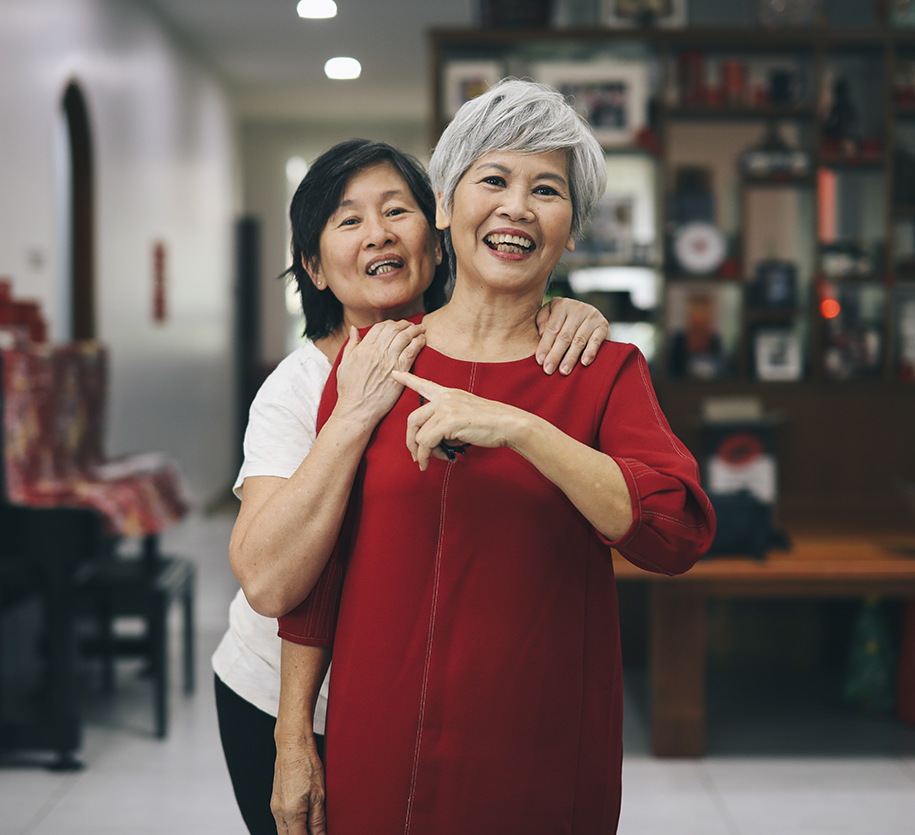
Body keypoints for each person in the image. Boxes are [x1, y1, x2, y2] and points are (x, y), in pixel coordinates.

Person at [276, 80, 716, 834]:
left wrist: (519, 427)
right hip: (377, 744)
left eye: (546, 190)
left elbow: (673, 532)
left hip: (541, 751)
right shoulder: (377, 358)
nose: (517, 206)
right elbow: (320, 575)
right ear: (445, 206)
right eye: (494, 179)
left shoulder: (604, 372)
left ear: (570, 229)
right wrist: (292, 742)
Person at [211, 138, 614, 835]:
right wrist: (292, 738)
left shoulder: (499, 353)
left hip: (421, 705)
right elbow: (272, 584)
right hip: (285, 701)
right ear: (314, 265)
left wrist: (571, 309)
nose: (380, 233)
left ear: (438, 238)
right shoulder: (297, 388)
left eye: (398, 210)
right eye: (348, 220)